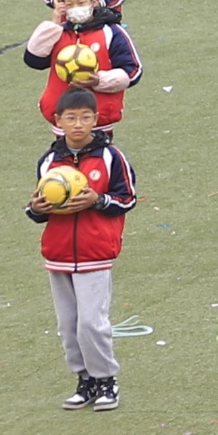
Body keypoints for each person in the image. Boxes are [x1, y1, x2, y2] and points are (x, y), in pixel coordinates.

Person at [30, 87, 135, 410]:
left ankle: (106, 380)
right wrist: (35, 208)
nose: (78, 124)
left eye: (85, 117)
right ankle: (84, 380)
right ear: (58, 120)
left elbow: (127, 198)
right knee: (68, 325)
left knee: (92, 322)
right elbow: (38, 210)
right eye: (71, 118)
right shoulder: (49, 161)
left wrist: (97, 200)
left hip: (95, 252)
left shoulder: (110, 157)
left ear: (96, 120)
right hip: (58, 254)